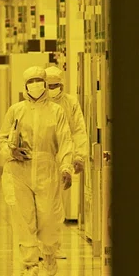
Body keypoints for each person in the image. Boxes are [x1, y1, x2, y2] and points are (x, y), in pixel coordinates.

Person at [0, 66, 74, 276]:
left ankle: (49, 252)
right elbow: (2, 138)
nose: (35, 84)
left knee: (49, 218)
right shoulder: (16, 110)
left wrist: (66, 167)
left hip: (47, 170)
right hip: (18, 170)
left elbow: (66, 141)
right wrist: (10, 150)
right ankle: (30, 266)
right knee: (24, 219)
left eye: (38, 80)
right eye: (31, 80)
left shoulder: (56, 111)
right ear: (25, 85)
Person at [44, 65, 90, 225]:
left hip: (65, 155)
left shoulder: (70, 103)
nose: (52, 89)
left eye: (55, 86)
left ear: (61, 85)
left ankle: (53, 236)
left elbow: (79, 130)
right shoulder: (38, 104)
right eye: (49, 86)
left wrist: (80, 156)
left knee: (59, 201)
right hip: (43, 157)